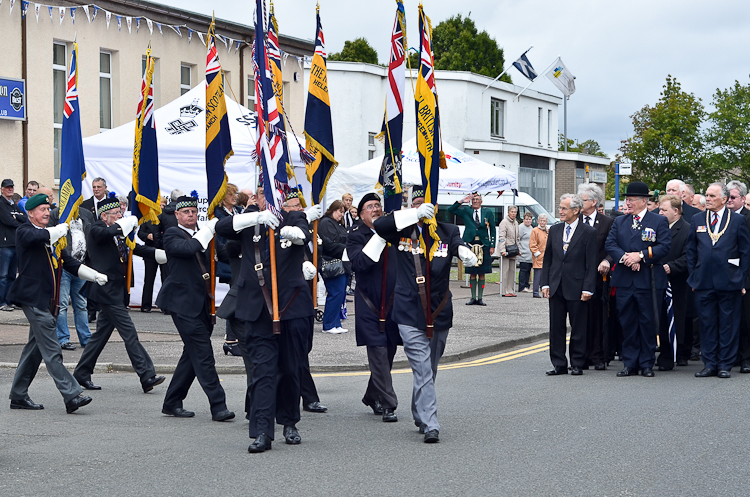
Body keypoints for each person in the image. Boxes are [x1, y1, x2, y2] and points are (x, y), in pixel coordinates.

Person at [215, 192, 320, 452]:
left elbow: (303, 234)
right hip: (257, 308)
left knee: (289, 368)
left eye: (267, 193)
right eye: (260, 194)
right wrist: (255, 215)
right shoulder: (250, 221)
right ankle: (262, 430)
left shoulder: (293, 216)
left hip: (290, 307)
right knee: (262, 371)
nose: (263, 197)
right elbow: (221, 228)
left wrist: (291, 232)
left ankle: (289, 423)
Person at [373, 189, 478, 443]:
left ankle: (420, 413)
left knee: (429, 368)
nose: (421, 207)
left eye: (425, 203)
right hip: (409, 310)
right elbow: (379, 225)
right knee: (422, 367)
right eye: (416, 203)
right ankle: (431, 423)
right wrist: (412, 214)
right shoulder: (401, 229)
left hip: (438, 310)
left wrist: (464, 251)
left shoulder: (446, 230)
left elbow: (456, 243)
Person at [7, 193, 106, 413]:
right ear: (30, 213)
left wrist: (94, 275)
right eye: (41, 209)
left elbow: (69, 263)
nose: (46, 212)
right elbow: (35, 237)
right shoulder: (25, 230)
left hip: (46, 301)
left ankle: (18, 395)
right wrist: (60, 229)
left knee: (35, 349)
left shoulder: (52, 240)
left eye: (47, 209)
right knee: (52, 349)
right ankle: (72, 395)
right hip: (33, 299)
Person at [73, 196, 167, 393]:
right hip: (105, 290)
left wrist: (158, 254)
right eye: (116, 214)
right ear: (105, 215)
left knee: (100, 336)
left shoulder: (117, 231)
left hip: (116, 289)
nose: (120, 215)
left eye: (121, 213)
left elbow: (134, 248)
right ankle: (147, 374)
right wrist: (122, 225)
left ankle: (82, 372)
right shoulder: (96, 228)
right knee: (129, 333)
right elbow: (105, 233)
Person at [157, 196, 234, 421]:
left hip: (203, 304)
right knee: (203, 354)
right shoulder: (172, 234)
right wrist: (209, 230)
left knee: (191, 355)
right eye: (186, 212)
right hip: (182, 304)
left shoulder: (205, 235)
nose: (190, 215)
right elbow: (190, 248)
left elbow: (226, 253)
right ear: (178, 216)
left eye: (193, 211)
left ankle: (172, 401)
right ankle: (218, 406)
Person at [605, 181, 671, 377]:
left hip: (648, 280)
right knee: (627, 321)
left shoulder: (658, 221)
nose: (628, 203)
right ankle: (630, 362)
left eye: (631, 199)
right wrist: (626, 258)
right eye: (627, 199)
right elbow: (611, 244)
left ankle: (647, 362)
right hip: (625, 280)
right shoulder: (620, 221)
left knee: (647, 321)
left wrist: (640, 256)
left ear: (644, 201)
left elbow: (664, 246)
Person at [346, 192, 401, 422]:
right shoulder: (355, 236)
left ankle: (372, 394)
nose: (376, 209)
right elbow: (359, 264)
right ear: (360, 214)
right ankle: (389, 403)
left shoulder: (393, 233)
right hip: (369, 303)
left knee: (388, 351)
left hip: (393, 303)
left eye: (378, 205)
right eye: (370, 206)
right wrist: (378, 236)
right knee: (377, 352)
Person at [687, 183, 750, 378]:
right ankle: (710, 363)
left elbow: (745, 252)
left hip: (729, 280)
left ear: (724, 199)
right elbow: (691, 250)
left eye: (712, 196)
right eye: (706, 195)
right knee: (707, 323)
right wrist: (694, 276)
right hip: (703, 281)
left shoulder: (738, 220)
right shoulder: (698, 218)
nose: (708, 199)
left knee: (728, 324)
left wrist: (742, 280)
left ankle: (725, 364)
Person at [541, 194, 597, 375]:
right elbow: (548, 259)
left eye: (564, 208)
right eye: (560, 208)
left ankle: (577, 363)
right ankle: (558, 363)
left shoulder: (588, 232)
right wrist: (545, 284)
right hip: (556, 285)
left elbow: (591, 263)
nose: (560, 211)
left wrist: (588, 288)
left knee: (578, 327)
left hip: (578, 287)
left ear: (576, 210)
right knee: (556, 327)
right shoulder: (555, 230)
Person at [49, 197, 95, 350]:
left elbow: (91, 236)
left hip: (81, 266)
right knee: (62, 305)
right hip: (64, 267)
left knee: (81, 304)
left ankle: (86, 339)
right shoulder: (57, 214)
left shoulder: (86, 214)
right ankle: (63, 339)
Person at [578, 184, 614, 370]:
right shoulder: (575, 220)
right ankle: (580, 357)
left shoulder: (607, 222)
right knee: (579, 319)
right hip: (577, 278)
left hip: (599, 279)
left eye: (582, 200)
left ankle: (598, 355)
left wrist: (607, 260)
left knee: (597, 318)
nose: (578, 203)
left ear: (593, 202)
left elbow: (612, 247)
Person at [656, 195, 691, 370]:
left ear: (676, 211)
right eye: (660, 209)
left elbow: (689, 256)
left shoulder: (687, 230)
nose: (660, 213)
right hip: (656, 280)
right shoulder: (657, 227)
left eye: (664, 210)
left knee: (676, 318)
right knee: (660, 318)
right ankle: (664, 352)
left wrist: (672, 266)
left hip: (677, 282)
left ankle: (675, 353)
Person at [448, 193, 496, 305]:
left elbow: (492, 228)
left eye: (477, 199)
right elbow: (451, 210)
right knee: (472, 273)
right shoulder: (466, 210)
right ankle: (473, 297)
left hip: (484, 243)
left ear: (481, 201)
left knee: (482, 272)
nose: (475, 201)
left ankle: (480, 298)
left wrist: (492, 245)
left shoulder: (487, 212)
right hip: (470, 243)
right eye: (473, 199)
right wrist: (461, 201)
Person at [726, 180, 750, 373]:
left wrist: (743, 278)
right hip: (723, 276)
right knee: (727, 319)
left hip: (744, 276)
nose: (729, 201)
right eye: (727, 197)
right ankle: (730, 356)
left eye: (733, 197)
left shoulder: (747, 218)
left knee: (745, 319)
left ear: (742, 198)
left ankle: (746, 357)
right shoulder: (719, 218)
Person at [318, 200, 350, 333]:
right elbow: (329, 244)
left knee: (340, 293)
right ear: (332, 210)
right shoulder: (326, 222)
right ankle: (329, 324)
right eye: (339, 211)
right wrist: (347, 248)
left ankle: (335, 323)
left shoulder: (336, 224)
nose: (341, 215)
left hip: (341, 261)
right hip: (332, 261)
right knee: (335, 292)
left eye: (343, 212)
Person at [137, 197, 168, 313]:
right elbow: (140, 233)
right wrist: (147, 236)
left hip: (164, 251)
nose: (161, 207)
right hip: (150, 252)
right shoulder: (147, 218)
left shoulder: (166, 219)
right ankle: (146, 305)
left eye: (163, 205)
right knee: (148, 280)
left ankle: (165, 306)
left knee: (166, 279)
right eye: (159, 205)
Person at [0, 179, 27, 312]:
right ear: (2, 189)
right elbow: (8, 220)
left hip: (15, 244)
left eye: (11, 187)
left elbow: (25, 217)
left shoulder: (13, 205)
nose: (10, 189)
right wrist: (17, 218)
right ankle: (1, 301)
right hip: (4, 245)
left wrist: (17, 217)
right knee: (3, 276)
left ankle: (9, 300)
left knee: (11, 275)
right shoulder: (1, 204)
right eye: (7, 187)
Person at [497, 205, 520, 297]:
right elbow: (501, 237)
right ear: (508, 212)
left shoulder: (516, 223)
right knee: (505, 270)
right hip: (506, 248)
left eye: (515, 212)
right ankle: (504, 290)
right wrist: (502, 250)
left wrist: (519, 249)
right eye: (512, 212)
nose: (513, 214)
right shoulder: (504, 222)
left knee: (512, 270)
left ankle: (511, 289)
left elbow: (517, 237)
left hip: (513, 249)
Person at [529, 214, 549, 298]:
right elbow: (532, 243)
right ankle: (535, 291)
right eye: (541, 220)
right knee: (538, 273)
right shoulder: (535, 230)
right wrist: (537, 253)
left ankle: (544, 291)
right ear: (538, 221)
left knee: (546, 274)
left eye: (544, 221)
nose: (542, 222)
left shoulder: (548, 230)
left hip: (547, 254)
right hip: (539, 254)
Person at [517, 212, 534, 293]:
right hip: (523, 252)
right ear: (523, 220)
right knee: (523, 270)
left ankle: (527, 286)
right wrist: (519, 249)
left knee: (528, 270)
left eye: (529, 219)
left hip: (530, 253)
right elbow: (518, 239)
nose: (528, 221)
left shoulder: (531, 228)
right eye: (526, 219)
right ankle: (522, 286)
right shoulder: (521, 227)